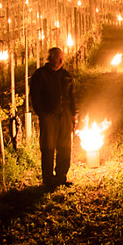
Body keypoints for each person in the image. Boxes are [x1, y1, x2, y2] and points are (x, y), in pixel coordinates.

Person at [29, 47, 78, 190]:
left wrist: (74, 113)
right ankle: (48, 179)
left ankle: (61, 176)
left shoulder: (65, 75)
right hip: (49, 116)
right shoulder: (41, 75)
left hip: (65, 115)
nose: (61, 61)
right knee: (48, 147)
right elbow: (35, 96)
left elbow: (72, 95)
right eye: (58, 58)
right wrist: (42, 114)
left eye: (62, 58)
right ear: (50, 58)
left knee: (65, 147)